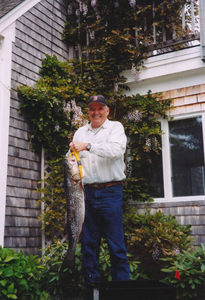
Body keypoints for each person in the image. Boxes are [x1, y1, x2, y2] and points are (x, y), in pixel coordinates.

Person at [69, 95, 130, 296]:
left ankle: (122, 295)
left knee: (117, 248)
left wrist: (88, 146)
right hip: (85, 194)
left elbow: (117, 150)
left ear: (107, 110)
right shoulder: (80, 132)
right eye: (92, 108)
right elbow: (72, 162)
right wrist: (71, 155)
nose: (96, 112)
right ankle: (92, 295)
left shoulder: (116, 128)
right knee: (88, 248)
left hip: (111, 192)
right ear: (88, 111)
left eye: (100, 108)